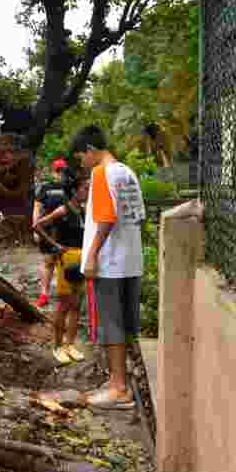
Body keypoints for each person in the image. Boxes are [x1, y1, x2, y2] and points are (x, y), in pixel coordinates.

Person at [70, 125, 146, 410]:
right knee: (125, 324)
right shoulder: (126, 172)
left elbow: (105, 218)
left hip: (110, 263)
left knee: (111, 325)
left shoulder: (101, 173)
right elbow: (138, 217)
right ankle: (119, 380)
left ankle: (118, 388)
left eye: (81, 157)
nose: (82, 162)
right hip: (131, 260)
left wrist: (91, 255)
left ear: (90, 150)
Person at [32, 174, 89, 365]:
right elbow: (37, 225)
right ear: (74, 191)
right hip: (67, 258)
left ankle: (70, 344)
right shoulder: (63, 210)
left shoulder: (83, 211)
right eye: (84, 188)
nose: (87, 191)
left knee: (77, 305)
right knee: (64, 305)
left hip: (81, 257)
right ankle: (57, 346)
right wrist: (55, 245)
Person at [32, 159, 68, 308]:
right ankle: (44, 294)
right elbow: (37, 208)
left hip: (66, 230)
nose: (60, 174)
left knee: (64, 261)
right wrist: (35, 227)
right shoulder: (44, 187)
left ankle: (64, 294)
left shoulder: (69, 188)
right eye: (58, 171)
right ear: (52, 171)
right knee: (48, 262)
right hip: (47, 229)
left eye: (63, 171)